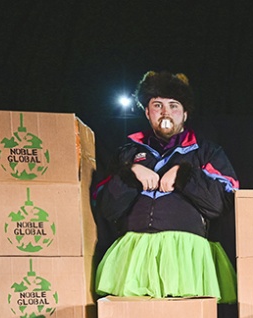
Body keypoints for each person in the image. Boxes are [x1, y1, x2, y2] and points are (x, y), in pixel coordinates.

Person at [92, 71, 238, 302]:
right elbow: (107, 208)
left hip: (186, 256)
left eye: (173, 105)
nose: (166, 112)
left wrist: (184, 174)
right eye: (157, 105)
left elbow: (222, 202)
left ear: (185, 113)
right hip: (135, 256)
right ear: (147, 112)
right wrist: (130, 173)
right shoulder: (128, 153)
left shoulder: (205, 152)